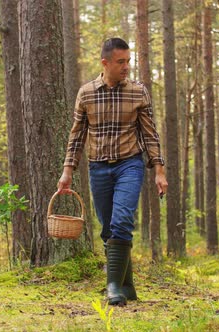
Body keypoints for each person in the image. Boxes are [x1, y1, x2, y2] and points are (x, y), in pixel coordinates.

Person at [57, 38, 168, 306]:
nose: (126, 67)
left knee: (121, 221)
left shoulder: (138, 92)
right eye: (121, 62)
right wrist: (67, 170)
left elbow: (150, 134)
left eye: (129, 61)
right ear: (105, 63)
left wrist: (159, 171)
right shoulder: (86, 93)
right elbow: (76, 135)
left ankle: (112, 287)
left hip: (130, 164)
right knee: (108, 228)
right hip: (98, 169)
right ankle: (127, 286)